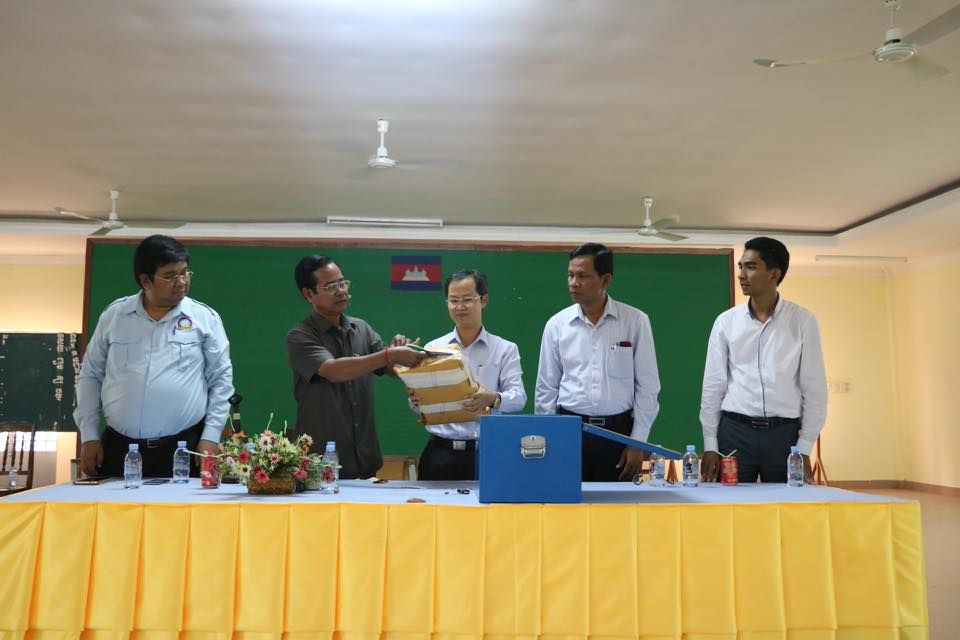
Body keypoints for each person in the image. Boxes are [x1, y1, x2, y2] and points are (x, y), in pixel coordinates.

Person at [75, 235, 234, 477]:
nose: (181, 282)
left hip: (185, 448)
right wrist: (89, 435)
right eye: (170, 276)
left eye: (185, 273)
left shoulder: (204, 319)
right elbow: (90, 376)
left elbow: (221, 380)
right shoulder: (114, 317)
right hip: (119, 448)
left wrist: (211, 436)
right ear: (145, 280)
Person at [285, 255, 427, 479]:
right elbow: (333, 370)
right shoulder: (300, 336)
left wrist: (399, 355)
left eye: (342, 283)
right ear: (309, 294)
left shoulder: (361, 329)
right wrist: (388, 354)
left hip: (366, 461)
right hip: (320, 467)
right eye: (331, 286)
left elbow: (390, 369)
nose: (341, 290)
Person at [699, 237, 828, 483]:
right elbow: (713, 386)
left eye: (750, 267)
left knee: (785, 504)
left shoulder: (803, 321)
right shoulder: (726, 322)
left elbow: (814, 388)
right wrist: (710, 444)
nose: (741, 275)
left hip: (784, 436)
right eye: (740, 267)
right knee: (729, 504)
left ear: (774, 274)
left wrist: (804, 447)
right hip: (735, 434)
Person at [535, 243, 661, 481]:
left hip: (619, 435)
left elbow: (648, 386)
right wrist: (548, 438)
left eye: (582, 276)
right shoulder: (557, 325)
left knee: (618, 503)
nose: (574, 283)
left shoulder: (635, 321)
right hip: (569, 431)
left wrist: (637, 441)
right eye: (570, 275)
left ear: (605, 280)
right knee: (566, 501)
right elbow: (546, 388)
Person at [411, 269, 527, 480]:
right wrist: (416, 400)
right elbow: (418, 408)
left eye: (467, 299)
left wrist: (493, 398)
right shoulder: (433, 348)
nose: (460, 307)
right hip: (439, 452)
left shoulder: (505, 349)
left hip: (488, 452)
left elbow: (519, 398)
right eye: (453, 300)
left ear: (484, 300)